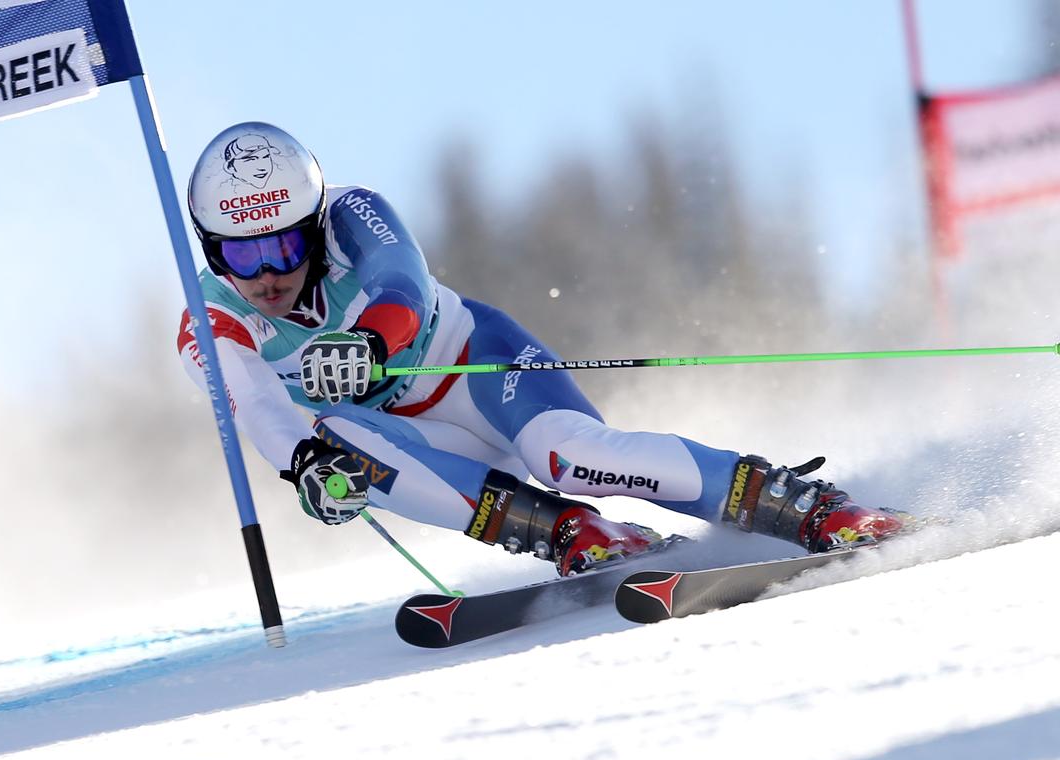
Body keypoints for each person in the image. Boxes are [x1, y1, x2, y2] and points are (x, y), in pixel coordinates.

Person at [177, 122, 906, 576]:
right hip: (415, 438)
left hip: (478, 367)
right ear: (214, 252)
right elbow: (256, 405)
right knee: (337, 439)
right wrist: (305, 468)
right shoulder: (209, 319)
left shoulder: (352, 213)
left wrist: (372, 342)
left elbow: (404, 282)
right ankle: (570, 532)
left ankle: (802, 505)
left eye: (282, 244)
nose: (268, 272)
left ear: (309, 224)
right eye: (243, 256)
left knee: (571, 455)